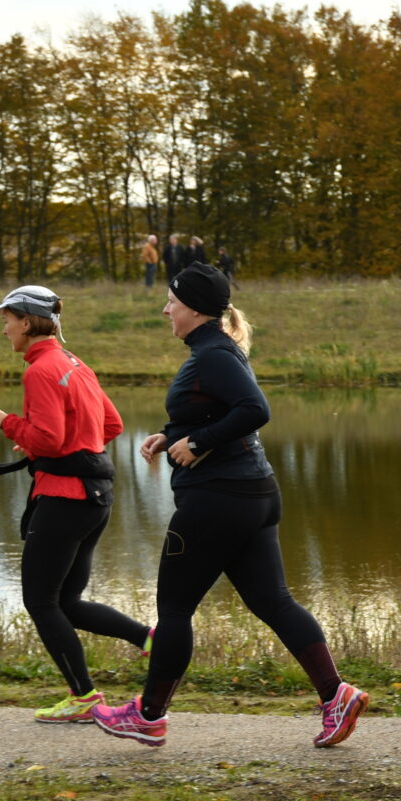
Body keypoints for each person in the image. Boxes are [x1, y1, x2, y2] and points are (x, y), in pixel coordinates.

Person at [90, 263, 369, 748]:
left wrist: (196, 444)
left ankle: (148, 716)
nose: (165, 309)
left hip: (218, 500)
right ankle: (335, 695)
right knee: (272, 601)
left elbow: (255, 409)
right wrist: (172, 435)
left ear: (195, 309)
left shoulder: (214, 354)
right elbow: (219, 410)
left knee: (174, 608)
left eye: (171, 302)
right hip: (252, 495)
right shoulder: (217, 350)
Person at [0, 286, 153, 724]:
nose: (4, 329)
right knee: (67, 601)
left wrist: (6, 422)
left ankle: (84, 697)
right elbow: (112, 424)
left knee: (40, 601)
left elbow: (48, 440)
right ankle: (152, 639)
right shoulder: (75, 364)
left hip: (63, 500)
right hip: (94, 500)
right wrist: (75, 448)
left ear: (28, 322)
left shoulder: (39, 371)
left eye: (7, 320)